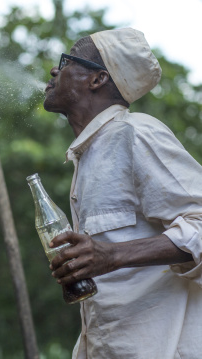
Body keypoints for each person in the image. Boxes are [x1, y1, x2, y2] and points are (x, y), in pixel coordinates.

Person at [43, 27, 202, 358]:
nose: (54, 71)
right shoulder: (89, 154)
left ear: (97, 79)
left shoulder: (136, 134)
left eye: (66, 61)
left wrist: (111, 255)